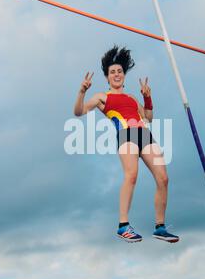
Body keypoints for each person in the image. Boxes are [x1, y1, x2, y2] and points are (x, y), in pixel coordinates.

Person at [73, 45, 179, 244]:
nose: (116, 74)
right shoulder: (102, 97)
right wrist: (81, 91)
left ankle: (160, 227)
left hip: (144, 134)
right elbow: (78, 112)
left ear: (123, 75)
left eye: (119, 71)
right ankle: (123, 226)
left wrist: (147, 97)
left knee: (163, 178)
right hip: (126, 135)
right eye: (112, 72)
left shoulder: (131, 98)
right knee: (131, 175)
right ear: (107, 77)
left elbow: (148, 117)